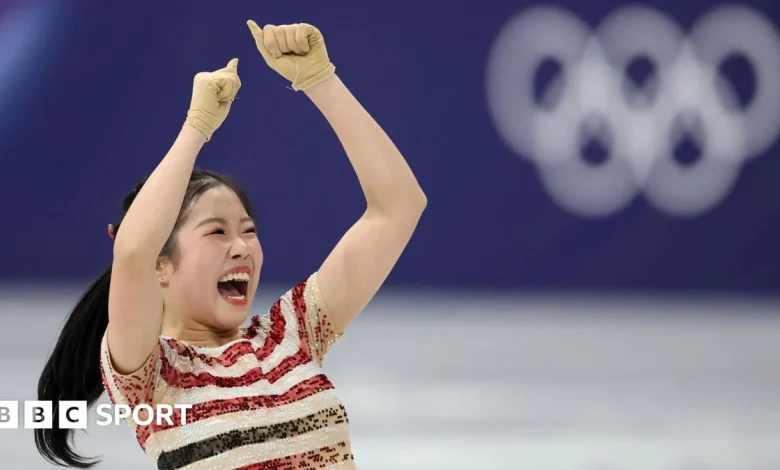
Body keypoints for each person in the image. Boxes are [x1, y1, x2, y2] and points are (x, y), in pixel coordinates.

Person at [34, 20, 426, 469]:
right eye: (217, 231)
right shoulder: (153, 377)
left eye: (249, 230)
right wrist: (196, 127)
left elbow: (398, 207)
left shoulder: (291, 334)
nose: (241, 247)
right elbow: (133, 251)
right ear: (162, 264)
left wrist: (320, 80)